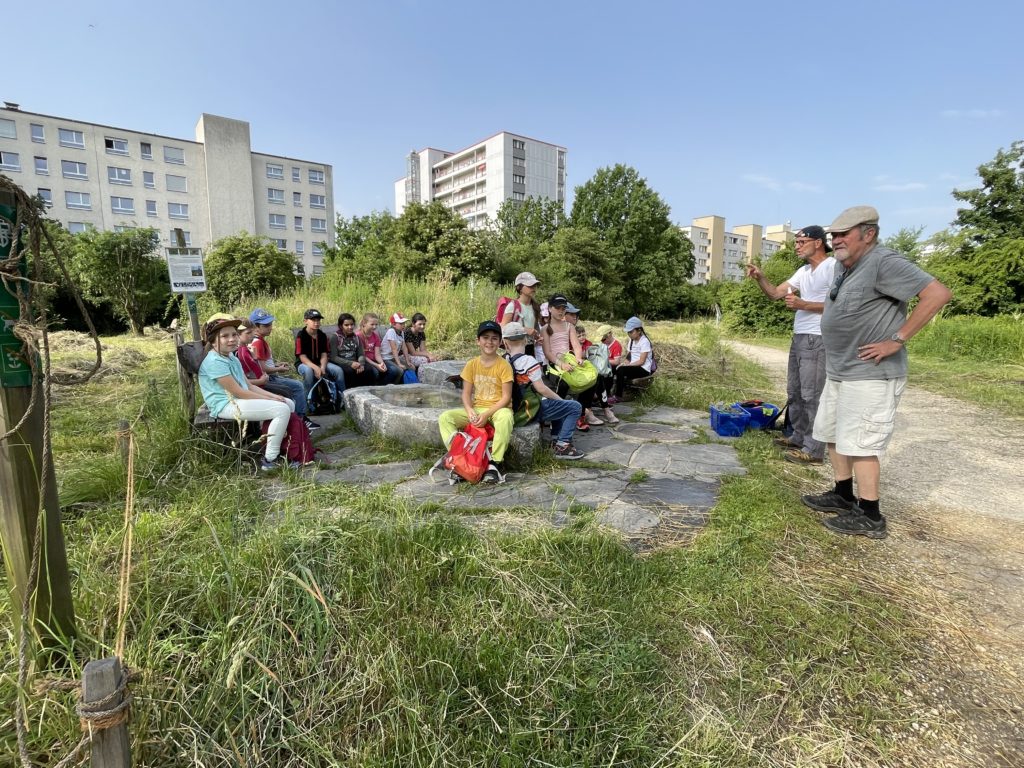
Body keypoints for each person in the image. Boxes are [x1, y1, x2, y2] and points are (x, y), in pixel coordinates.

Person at [803, 206, 952, 539]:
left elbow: (938, 294)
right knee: (833, 434)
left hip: (870, 373)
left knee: (861, 444)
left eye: (844, 234)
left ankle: (870, 514)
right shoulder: (846, 268)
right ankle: (842, 494)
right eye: (834, 235)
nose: (836, 240)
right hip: (841, 370)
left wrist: (896, 340)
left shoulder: (884, 262)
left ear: (868, 233)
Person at [746, 225, 836, 465]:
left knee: (811, 394)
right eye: (795, 242)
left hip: (818, 338)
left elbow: (840, 307)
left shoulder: (832, 267)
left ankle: (814, 450)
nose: (796, 246)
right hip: (799, 337)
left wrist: (804, 305)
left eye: (801, 242)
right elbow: (776, 294)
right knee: (794, 392)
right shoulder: (804, 271)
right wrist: (760, 277)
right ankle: (797, 437)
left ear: (818, 242)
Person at [198, 314, 297, 471]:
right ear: (212, 341)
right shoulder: (214, 361)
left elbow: (248, 386)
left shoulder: (231, 357)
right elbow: (239, 392)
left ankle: (287, 446)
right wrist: (273, 401)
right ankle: (270, 459)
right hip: (225, 405)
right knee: (281, 409)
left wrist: (273, 396)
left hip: (238, 399)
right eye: (224, 336)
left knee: (288, 403)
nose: (232, 339)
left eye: (234, 334)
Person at [438, 320, 514, 483]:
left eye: (494, 338)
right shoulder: (471, 364)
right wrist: (470, 410)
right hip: (477, 408)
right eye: (485, 337)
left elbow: (506, 397)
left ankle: (495, 462)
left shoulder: (504, 366)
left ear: (500, 342)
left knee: (506, 417)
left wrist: (486, 414)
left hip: (497, 409)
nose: (489, 342)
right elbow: (466, 395)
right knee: (445, 417)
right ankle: (460, 457)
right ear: (478, 341)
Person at [503, 322, 585, 459]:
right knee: (574, 406)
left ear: (505, 343)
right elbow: (541, 389)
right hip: (530, 409)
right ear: (525, 339)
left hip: (516, 409)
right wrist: (560, 400)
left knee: (558, 402)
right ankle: (562, 445)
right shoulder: (529, 361)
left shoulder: (504, 360)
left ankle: (556, 438)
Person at [248, 307, 317, 429]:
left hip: (269, 376)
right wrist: (278, 369)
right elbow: (263, 369)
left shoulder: (260, 340)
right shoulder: (257, 342)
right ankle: (301, 419)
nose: (270, 327)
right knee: (298, 386)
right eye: (266, 325)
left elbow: (264, 363)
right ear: (256, 327)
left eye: (270, 324)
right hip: (268, 378)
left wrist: (277, 365)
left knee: (295, 384)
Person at [539, 294, 591, 430]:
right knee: (562, 384)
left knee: (591, 380)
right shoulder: (545, 328)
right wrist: (560, 364)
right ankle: (556, 420)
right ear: (550, 308)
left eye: (563, 308)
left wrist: (579, 358)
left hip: (569, 359)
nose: (561, 311)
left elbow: (576, 346)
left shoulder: (569, 326)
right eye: (558, 308)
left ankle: (581, 414)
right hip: (552, 364)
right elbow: (548, 352)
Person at [295, 308, 346, 404]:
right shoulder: (301, 335)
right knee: (308, 371)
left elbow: (324, 354)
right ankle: (308, 402)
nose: (316, 323)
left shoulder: (322, 335)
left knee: (338, 370)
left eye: (318, 320)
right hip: (304, 364)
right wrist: (315, 368)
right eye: (313, 320)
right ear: (305, 321)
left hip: (320, 363)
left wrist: (322, 367)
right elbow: (302, 357)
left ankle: (343, 399)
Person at [499, 272, 543, 356]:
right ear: (519, 287)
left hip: (530, 347)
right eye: (530, 285)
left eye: (535, 285)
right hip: (514, 346)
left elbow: (533, 328)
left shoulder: (535, 307)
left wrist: (537, 337)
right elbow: (503, 327)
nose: (533, 288)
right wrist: (525, 330)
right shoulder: (512, 306)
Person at [329, 312, 373, 389]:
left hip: (355, 362)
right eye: (346, 325)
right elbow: (333, 357)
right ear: (340, 326)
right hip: (342, 362)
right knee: (349, 371)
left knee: (368, 369)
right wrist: (350, 363)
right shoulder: (335, 337)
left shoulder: (356, 337)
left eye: (352, 324)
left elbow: (361, 354)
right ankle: (350, 394)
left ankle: (365, 392)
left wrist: (361, 364)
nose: (350, 327)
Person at [584, 324, 618, 424]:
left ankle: (605, 408)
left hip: (587, 366)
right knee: (594, 377)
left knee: (599, 376)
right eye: (579, 335)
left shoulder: (589, 343)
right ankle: (589, 410)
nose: (581, 337)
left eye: (583, 335)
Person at [613, 316, 654, 398]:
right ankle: (607, 392)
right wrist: (624, 363)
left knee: (621, 370)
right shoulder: (631, 341)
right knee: (614, 368)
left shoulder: (644, 341)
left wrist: (627, 366)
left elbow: (641, 361)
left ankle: (618, 396)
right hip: (633, 366)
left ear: (639, 330)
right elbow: (629, 357)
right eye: (628, 332)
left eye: (631, 332)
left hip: (643, 368)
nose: (629, 334)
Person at [356, 312, 390, 384]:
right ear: (364, 323)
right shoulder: (358, 336)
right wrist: (376, 365)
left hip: (374, 360)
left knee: (393, 370)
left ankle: (384, 388)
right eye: (372, 324)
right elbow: (363, 355)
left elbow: (377, 354)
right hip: (364, 361)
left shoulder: (375, 336)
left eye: (376, 324)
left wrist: (382, 363)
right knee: (375, 372)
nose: (374, 327)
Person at [381, 312, 412, 383]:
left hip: (393, 358)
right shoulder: (391, 331)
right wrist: (399, 364)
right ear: (394, 324)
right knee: (399, 370)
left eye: (404, 323)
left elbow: (404, 348)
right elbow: (394, 349)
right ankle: (387, 385)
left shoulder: (402, 332)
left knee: (410, 367)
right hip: (386, 358)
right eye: (401, 323)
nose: (403, 325)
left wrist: (407, 361)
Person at [600, 324, 625, 404]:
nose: (603, 341)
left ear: (610, 334)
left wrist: (605, 360)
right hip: (603, 364)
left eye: (604, 339)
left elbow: (616, 361)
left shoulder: (616, 345)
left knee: (608, 371)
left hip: (612, 366)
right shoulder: (603, 344)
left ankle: (607, 393)